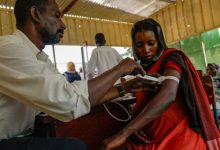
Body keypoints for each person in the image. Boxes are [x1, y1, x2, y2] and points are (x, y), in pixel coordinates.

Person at [0, 0, 147, 150]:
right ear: (35, 14)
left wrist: (124, 88)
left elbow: (77, 96)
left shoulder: (40, 58)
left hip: (20, 136)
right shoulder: (9, 48)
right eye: (57, 16)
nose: (62, 24)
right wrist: (119, 69)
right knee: (73, 147)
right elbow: (71, 101)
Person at [103, 19, 220, 150]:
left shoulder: (172, 58)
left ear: (159, 41)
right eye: (140, 45)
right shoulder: (142, 69)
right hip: (149, 136)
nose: (146, 49)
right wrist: (137, 124)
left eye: (151, 43)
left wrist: (125, 132)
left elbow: (168, 95)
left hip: (177, 135)